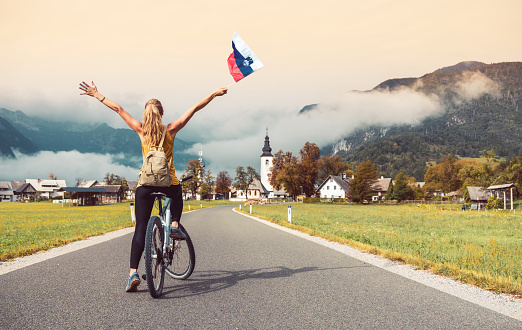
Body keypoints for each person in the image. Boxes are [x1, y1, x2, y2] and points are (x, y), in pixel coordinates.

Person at [79, 81, 227, 292]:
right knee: (176, 189)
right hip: (168, 184)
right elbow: (193, 109)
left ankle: (132, 274)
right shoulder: (171, 130)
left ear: (146, 114)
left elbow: (118, 108)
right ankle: (174, 225)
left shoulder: (141, 130)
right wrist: (213, 94)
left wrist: (96, 94)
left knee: (141, 228)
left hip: (145, 186)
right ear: (162, 113)